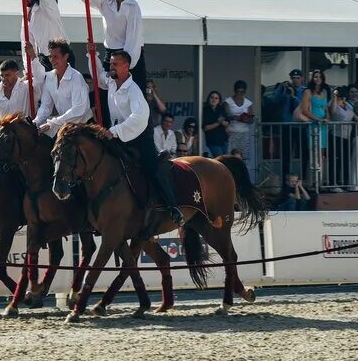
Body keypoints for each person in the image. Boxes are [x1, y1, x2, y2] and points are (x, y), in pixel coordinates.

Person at [91, 48, 183, 227]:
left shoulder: (133, 90)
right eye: (110, 64)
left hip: (139, 136)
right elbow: (98, 76)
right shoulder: (111, 82)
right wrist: (92, 55)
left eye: (115, 64)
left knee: (151, 167)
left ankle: (173, 207)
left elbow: (139, 117)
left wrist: (114, 131)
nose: (111, 67)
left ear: (126, 67)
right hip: (117, 135)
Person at [75, 0, 146, 91]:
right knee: (106, 92)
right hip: (111, 53)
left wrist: (124, 65)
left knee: (134, 92)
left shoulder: (133, 7)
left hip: (131, 56)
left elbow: (133, 39)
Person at [33, 39, 92, 138]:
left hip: (82, 127)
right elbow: (46, 106)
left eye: (55, 57)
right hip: (63, 125)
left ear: (66, 56)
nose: (52, 60)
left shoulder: (76, 78)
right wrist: (36, 122)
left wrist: (53, 123)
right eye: (50, 57)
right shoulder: (50, 78)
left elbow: (78, 110)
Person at [18, 0, 66, 74]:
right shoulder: (27, 13)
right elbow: (26, 42)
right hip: (44, 58)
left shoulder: (48, 2)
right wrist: (27, 68)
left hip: (61, 55)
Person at [298, 71, 330, 186]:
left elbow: (326, 109)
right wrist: (318, 119)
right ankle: (310, 182)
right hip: (313, 125)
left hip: (323, 126)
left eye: (320, 77)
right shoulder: (308, 92)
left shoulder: (324, 92)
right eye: (315, 77)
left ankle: (319, 182)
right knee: (313, 153)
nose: (318, 78)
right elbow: (305, 110)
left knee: (321, 154)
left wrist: (327, 118)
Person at [326, 87, 358, 192]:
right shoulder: (333, 102)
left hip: (346, 136)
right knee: (335, 160)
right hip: (335, 135)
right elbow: (333, 111)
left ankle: (344, 183)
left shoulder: (347, 104)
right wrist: (334, 98)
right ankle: (333, 184)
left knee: (344, 160)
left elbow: (353, 114)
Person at [225, 80, 256, 174]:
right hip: (232, 132)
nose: (241, 94)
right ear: (235, 91)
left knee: (243, 156)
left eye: (243, 92)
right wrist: (235, 117)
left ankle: (242, 177)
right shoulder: (228, 101)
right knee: (231, 156)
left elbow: (252, 119)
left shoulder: (248, 103)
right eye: (239, 92)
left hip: (244, 132)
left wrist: (246, 119)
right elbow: (226, 115)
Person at [202, 91, 228, 157]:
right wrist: (218, 122)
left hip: (223, 141)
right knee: (220, 160)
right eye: (212, 97)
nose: (214, 99)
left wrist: (221, 122)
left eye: (216, 98)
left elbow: (227, 123)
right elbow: (206, 128)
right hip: (212, 141)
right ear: (208, 99)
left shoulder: (221, 109)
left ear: (219, 101)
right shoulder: (204, 110)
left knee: (225, 162)